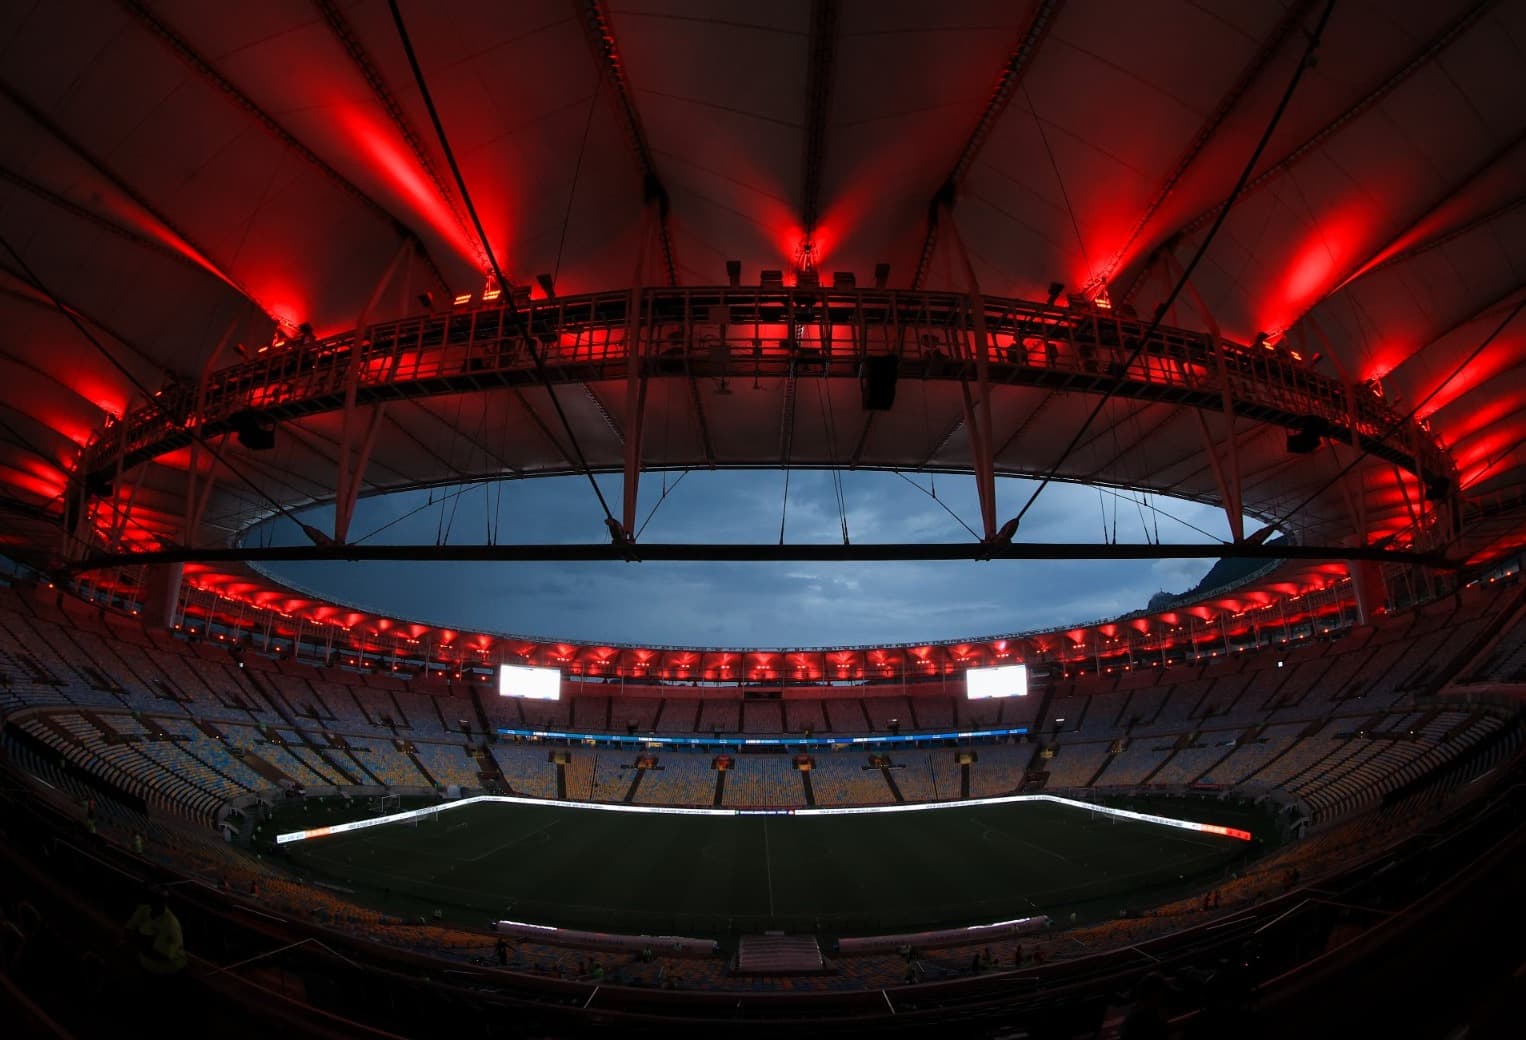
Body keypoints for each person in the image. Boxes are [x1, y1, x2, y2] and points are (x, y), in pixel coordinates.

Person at [124, 887, 186, 975]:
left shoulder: (170, 925)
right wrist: (141, 943)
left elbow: (162, 956)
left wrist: (135, 941)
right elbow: (128, 930)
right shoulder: (144, 909)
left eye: (158, 901)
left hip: (165, 971)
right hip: (146, 963)